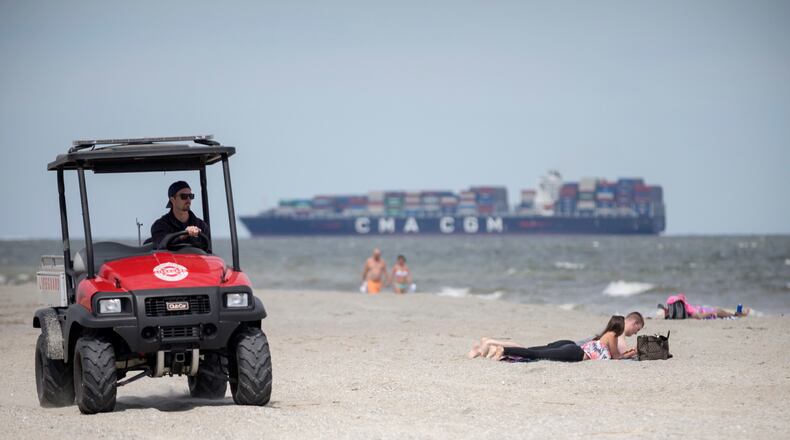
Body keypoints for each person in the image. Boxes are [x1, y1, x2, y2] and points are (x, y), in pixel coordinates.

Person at [468, 315, 637, 362]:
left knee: (531, 350)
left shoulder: (604, 335)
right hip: (574, 353)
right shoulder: (613, 336)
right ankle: (503, 350)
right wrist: (629, 354)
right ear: (619, 327)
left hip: (570, 345)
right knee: (535, 355)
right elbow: (616, 357)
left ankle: (489, 344)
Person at [151, 181, 210, 249]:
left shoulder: (201, 226)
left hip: (194, 259)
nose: (188, 199)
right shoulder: (160, 225)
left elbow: (208, 252)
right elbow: (160, 244)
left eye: (191, 196)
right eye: (184, 196)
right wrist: (183, 235)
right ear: (172, 200)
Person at [659, 293, 750, 319]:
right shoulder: (689, 312)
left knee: (719, 310)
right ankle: (736, 314)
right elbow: (699, 316)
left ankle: (736, 313)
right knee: (718, 310)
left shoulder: (682, 311)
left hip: (700, 309)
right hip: (702, 311)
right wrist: (711, 312)